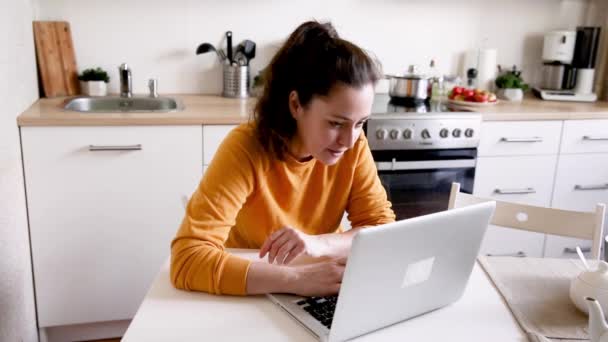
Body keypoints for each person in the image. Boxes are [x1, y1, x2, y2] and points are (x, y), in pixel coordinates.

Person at [170, 21, 395, 297]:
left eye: (361, 123)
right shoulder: (245, 148)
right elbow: (187, 259)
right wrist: (295, 279)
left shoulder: (354, 145)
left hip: (319, 283)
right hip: (253, 286)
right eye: (336, 123)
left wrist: (319, 244)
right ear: (296, 104)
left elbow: (381, 230)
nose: (349, 141)